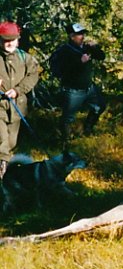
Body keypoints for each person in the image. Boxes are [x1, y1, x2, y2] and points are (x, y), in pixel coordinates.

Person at [49, 22, 107, 146]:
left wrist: (95, 47)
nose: (82, 36)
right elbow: (61, 71)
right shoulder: (64, 51)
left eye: (83, 34)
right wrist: (79, 62)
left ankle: (88, 129)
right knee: (68, 118)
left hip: (89, 88)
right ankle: (65, 142)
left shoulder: (86, 47)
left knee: (100, 106)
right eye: (79, 34)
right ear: (71, 36)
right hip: (73, 90)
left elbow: (102, 56)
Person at [0, 21, 40, 186]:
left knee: (11, 143)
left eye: (13, 39)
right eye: (5, 40)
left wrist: (18, 90)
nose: (9, 43)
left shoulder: (25, 58)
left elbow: (33, 76)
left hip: (17, 109)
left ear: (18, 39)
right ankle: (2, 178)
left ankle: (8, 178)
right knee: (1, 143)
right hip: (0, 109)